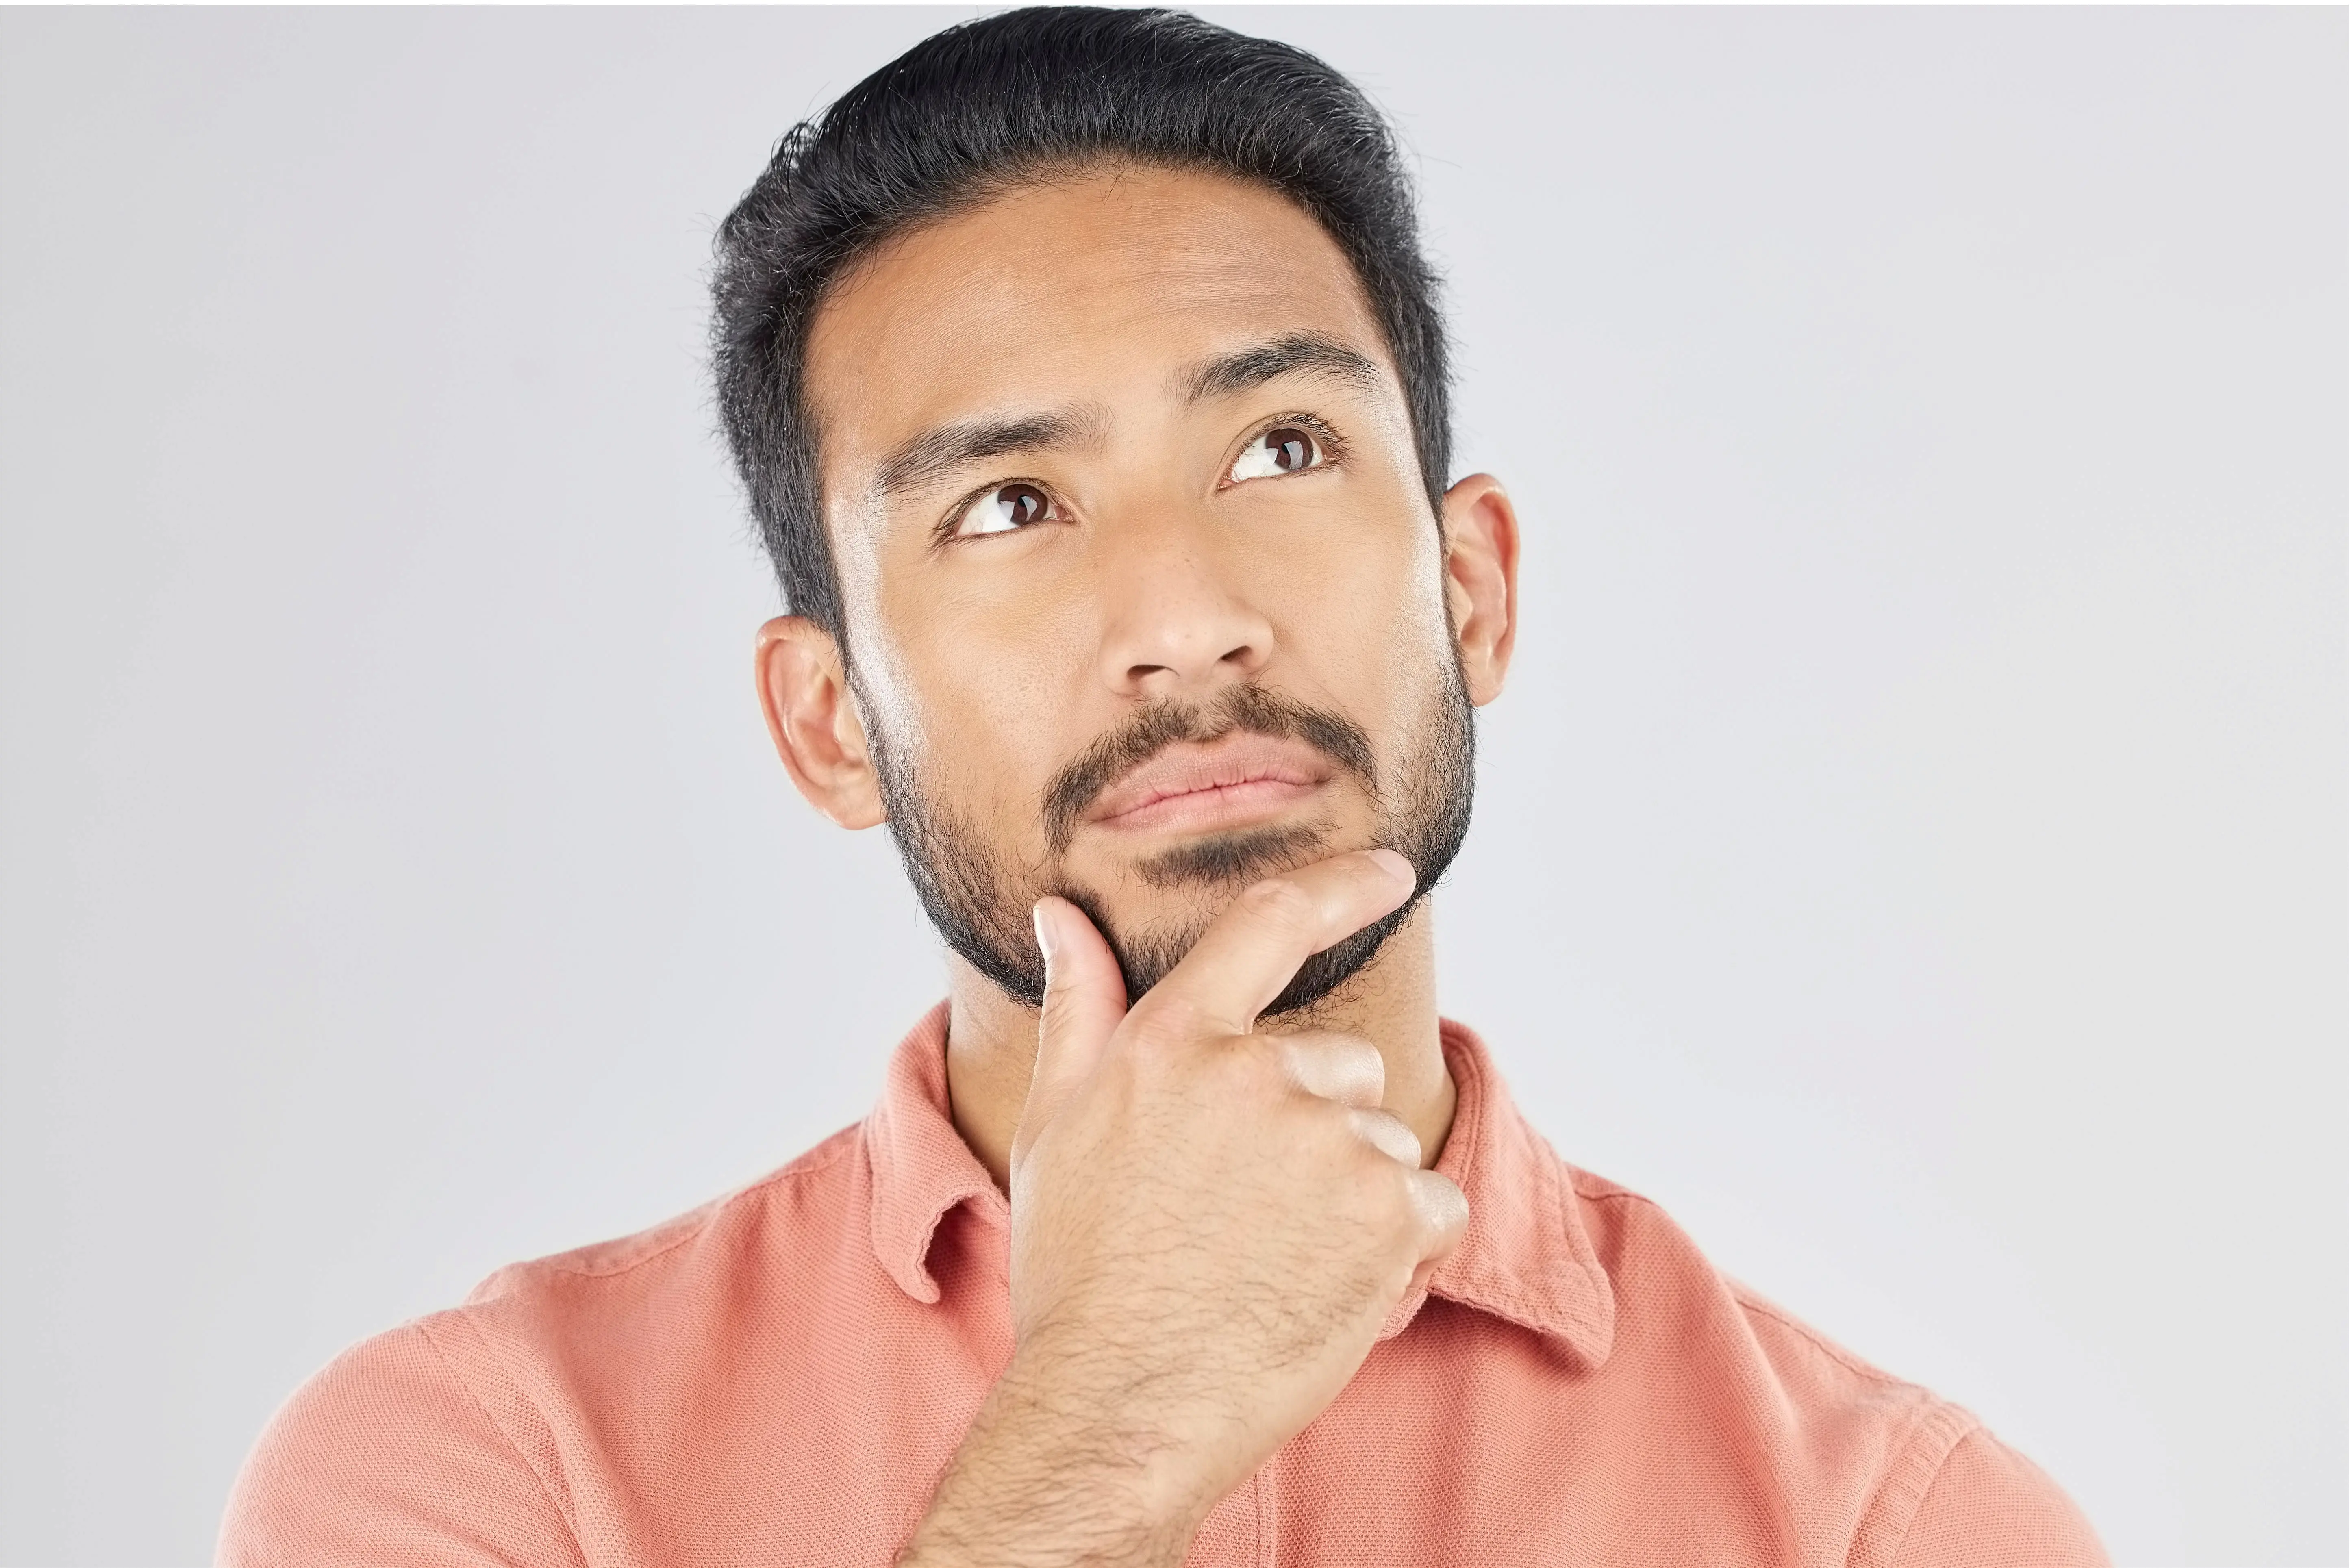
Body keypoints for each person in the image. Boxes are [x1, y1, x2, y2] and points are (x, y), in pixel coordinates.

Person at [219, 9, 2107, 1565]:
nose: (1188, 622)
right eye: (1010, 506)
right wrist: (1111, 1430)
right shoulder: (480, 1467)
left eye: (1280, 446)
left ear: (1473, 590)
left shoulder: (1895, 1526)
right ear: (826, 725)